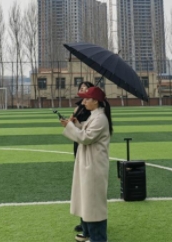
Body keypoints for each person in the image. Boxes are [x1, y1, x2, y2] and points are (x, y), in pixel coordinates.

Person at [61, 86, 113, 242]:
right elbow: (86, 130)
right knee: (87, 201)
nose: (83, 102)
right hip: (89, 163)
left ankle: (98, 239)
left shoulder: (100, 118)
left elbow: (86, 138)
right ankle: (89, 234)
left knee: (94, 204)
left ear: (95, 101)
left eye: (86, 99)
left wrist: (70, 127)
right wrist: (76, 124)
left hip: (94, 165)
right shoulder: (95, 116)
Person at [71, 81, 94, 233]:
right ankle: (84, 222)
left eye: (86, 89)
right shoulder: (79, 106)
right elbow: (74, 123)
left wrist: (78, 124)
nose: (83, 90)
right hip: (78, 142)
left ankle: (90, 222)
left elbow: (87, 130)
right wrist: (70, 122)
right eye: (81, 88)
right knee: (81, 183)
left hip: (87, 143)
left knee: (87, 185)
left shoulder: (95, 110)